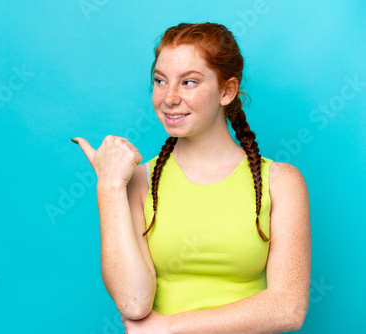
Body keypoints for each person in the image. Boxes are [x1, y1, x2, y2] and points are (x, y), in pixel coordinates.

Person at [72, 22, 311, 334]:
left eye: (189, 82)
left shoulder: (281, 182)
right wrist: (109, 185)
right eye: (160, 81)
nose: (169, 98)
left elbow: (288, 308)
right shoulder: (140, 181)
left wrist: (169, 327)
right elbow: (133, 302)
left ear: (227, 90)